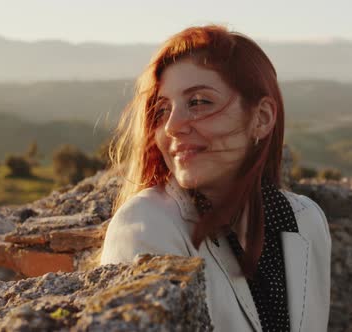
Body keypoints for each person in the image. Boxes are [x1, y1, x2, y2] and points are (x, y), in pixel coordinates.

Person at [100, 25, 331, 332]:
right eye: (162, 109)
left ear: (261, 119)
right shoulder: (147, 225)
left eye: (198, 102)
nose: (172, 126)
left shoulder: (307, 220)